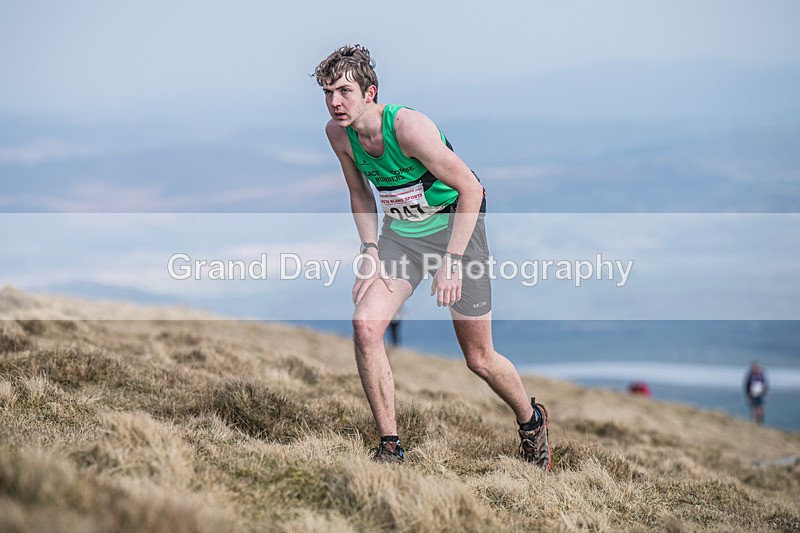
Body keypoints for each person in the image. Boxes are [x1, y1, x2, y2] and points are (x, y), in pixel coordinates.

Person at [314, 44, 551, 470]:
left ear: (370, 92)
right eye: (328, 92)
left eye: (344, 91)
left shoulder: (409, 128)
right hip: (402, 238)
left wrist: (453, 261)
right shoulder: (338, 134)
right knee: (365, 326)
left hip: (457, 231)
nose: (335, 102)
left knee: (479, 359)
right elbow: (359, 192)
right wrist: (369, 250)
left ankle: (531, 422)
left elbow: (472, 190)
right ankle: (390, 446)